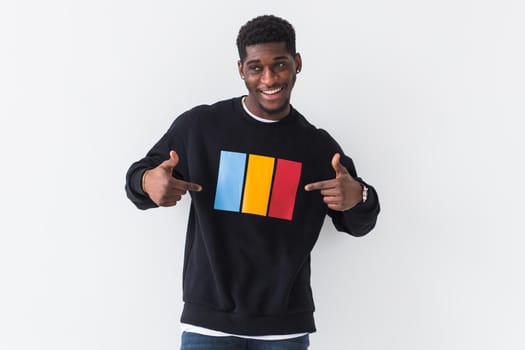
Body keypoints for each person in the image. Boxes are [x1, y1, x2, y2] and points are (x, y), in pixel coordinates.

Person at [125, 14, 380, 350]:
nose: (269, 78)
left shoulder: (317, 147)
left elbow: (359, 221)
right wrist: (148, 182)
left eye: (280, 64)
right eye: (256, 67)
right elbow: (137, 180)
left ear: (297, 63)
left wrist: (358, 196)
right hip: (209, 326)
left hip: (284, 330)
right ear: (241, 70)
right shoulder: (200, 127)